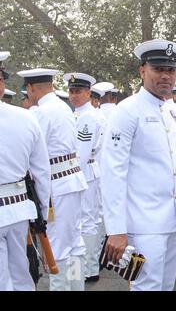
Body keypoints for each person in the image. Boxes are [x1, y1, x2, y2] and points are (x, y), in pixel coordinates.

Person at [101, 39, 176, 291]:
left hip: (173, 221)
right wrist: (116, 230)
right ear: (142, 70)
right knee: (147, 287)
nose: (166, 76)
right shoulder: (127, 111)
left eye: (171, 70)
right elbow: (113, 173)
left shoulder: (172, 111)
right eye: (159, 69)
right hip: (143, 225)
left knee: (166, 286)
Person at [17, 68, 89, 291]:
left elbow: (31, 153)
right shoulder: (63, 107)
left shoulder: (41, 112)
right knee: (75, 244)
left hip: (55, 184)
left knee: (56, 249)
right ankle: (76, 287)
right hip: (73, 180)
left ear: (30, 88)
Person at [0, 52, 51, 291]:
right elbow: (41, 172)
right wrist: (40, 213)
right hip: (19, 209)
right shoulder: (26, 118)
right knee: (21, 277)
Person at [64, 72, 105, 283]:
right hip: (84, 173)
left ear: (89, 92)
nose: (73, 95)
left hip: (84, 173)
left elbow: (82, 153)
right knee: (83, 221)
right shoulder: (79, 113)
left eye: (78, 91)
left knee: (85, 222)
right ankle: (85, 268)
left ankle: (88, 269)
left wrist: (70, 177)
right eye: (71, 91)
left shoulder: (88, 116)